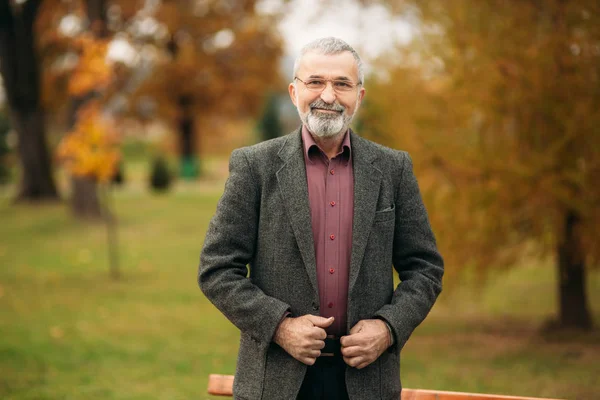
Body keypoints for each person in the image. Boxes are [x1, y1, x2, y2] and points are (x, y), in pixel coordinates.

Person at [199, 37, 444, 400]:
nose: (328, 96)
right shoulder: (255, 166)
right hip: (275, 382)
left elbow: (425, 268)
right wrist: (279, 326)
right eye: (315, 82)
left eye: (342, 84)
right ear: (294, 90)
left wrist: (388, 328)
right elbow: (216, 269)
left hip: (366, 382)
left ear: (359, 96)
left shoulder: (394, 169)